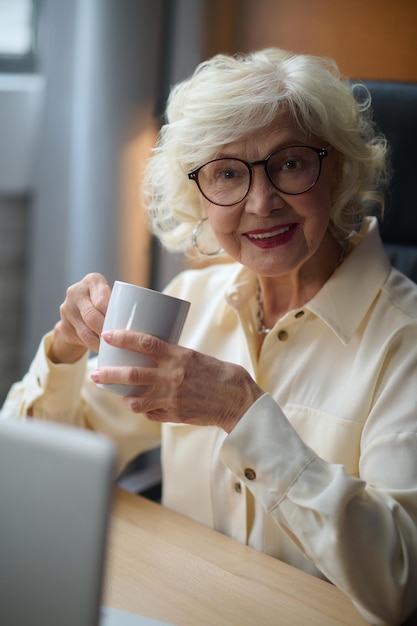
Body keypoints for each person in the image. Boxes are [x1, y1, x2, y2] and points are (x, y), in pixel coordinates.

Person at [2, 48, 417, 625]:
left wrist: (243, 414)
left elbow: (400, 580)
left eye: (291, 164)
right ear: (198, 195)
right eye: (226, 173)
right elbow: (33, 475)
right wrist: (67, 351)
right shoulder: (190, 303)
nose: (261, 202)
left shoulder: (407, 339)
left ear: (339, 168)